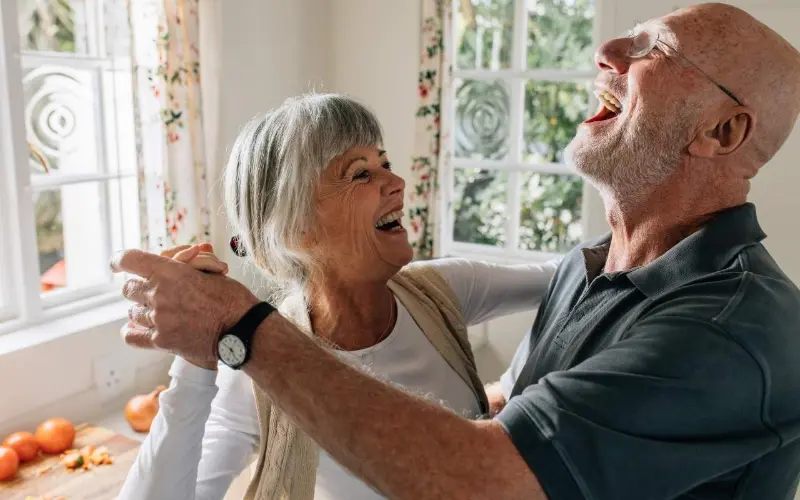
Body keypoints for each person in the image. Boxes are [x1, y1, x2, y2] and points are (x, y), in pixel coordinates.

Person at [113, 3, 800, 499]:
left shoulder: (732, 331)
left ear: (724, 129)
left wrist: (236, 330)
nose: (609, 51)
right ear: (294, 231)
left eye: (655, 49)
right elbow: (538, 414)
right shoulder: (590, 272)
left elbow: (489, 478)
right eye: (359, 172)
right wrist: (202, 359)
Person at [116, 94, 559, 500]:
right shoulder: (258, 361)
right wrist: (193, 360)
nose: (397, 182)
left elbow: (579, 274)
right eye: (361, 173)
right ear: (294, 228)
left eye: (385, 163)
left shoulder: (442, 291)